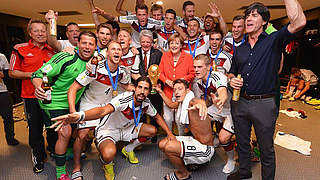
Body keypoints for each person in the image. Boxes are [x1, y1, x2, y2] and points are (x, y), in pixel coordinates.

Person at [227, 1, 306, 179]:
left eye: (254, 15)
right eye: (248, 15)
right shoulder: (240, 49)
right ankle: (245, 171)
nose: (249, 18)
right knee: (242, 141)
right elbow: (232, 73)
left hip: (264, 103)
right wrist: (231, 81)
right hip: (240, 102)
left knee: (266, 148)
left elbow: (299, 21)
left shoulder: (274, 40)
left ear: (265, 22)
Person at [50, 76, 175, 180]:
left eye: (146, 89)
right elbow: (102, 111)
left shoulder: (146, 102)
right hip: (108, 131)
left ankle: (128, 149)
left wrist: (169, 134)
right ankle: (107, 164)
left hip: (127, 129)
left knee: (152, 131)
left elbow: (157, 117)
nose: (142, 91)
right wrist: (79, 116)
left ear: (149, 92)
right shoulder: (124, 98)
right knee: (109, 154)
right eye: (140, 87)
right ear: (134, 88)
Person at [31, 31, 97, 179]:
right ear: (77, 44)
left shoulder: (95, 61)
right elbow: (37, 74)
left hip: (74, 103)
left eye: (91, 44)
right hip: (54, 102)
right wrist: (38, 87)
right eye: (84, 43)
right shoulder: (65, 57)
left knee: (78, 130)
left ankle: (65, 152)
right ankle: (61, 172)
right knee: (65, 132)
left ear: (95, 47)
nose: (87, 47)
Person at [68, 41, 131, 179]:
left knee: (114, 130)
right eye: (113, 49)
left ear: (122, 53)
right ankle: (76, 167)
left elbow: (127, 86)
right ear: (107, 53)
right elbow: (73, 88)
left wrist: (142, 91)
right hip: (90, 103)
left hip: (107, 106)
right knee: (83, 134)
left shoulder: (123, 71)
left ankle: (106, 157)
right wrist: (73, 112)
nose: (116, 52)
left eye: (119, 49)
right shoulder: (95, 67)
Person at [9, 19, 55, 173]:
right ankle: (38, 157)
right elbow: (12, 72)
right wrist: (34, 75)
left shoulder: (52, 50)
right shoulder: (19, 49)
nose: (41, 34)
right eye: (36, 31)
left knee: (52, 126)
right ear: (30, 33)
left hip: (51, 96)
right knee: (35, 129)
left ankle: (53, 150)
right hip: (31, 97)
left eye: (43, 31)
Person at [158, 79, 215, 180]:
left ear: (187, 91)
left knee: (169, 148)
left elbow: (196, 101)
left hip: (205, 149)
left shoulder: (190, 101)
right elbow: (171, 104)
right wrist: (160, 92)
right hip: (194, 141)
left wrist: (201, 104)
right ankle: (190, 162)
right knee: (162, 144)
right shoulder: (182, 102)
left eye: (180, 89)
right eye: (175, 89)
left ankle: (183, 173)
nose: (176, 92)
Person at [193, 54, 235, 173]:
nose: (196, 70)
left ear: (208, 67)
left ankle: (231, 159)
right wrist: (200, 105)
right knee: (198, 116)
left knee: (223, 138)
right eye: (195, 67)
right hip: (217, 108)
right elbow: (206, 100)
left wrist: (220, 100)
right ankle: (208, 142)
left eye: (200, 67)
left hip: (231, 109)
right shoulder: (199, 81)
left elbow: (223, 92)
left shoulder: (217, 76)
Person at [159, 33, 195, 134]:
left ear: (181, 45)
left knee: (180, 119)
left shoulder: (188, 57)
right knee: (168, 118)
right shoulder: (165, 56)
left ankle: (181, 139)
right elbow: (159, 72)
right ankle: (170, 137)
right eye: (171, 43)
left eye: (177, 43)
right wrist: (166, 81)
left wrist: (182, 81)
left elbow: (192, 74)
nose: (174, 45)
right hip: (168, 92)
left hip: (183, 93)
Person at [93, 3, 162, 48]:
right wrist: (103, 13)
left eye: (144, 15)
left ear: (147, 15)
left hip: (148, 46)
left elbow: (168, 23)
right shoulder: (132, 19)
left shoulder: (154, 22)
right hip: (134, 47)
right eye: (139, 15)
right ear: (136, 15)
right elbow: (114, 18)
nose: (142, 17)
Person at [0, 53, 19, 146]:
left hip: (2, 91)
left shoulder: (2, 56)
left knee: (8, 117)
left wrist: (3, 74)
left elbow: (9, 75)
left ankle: (10, 138)